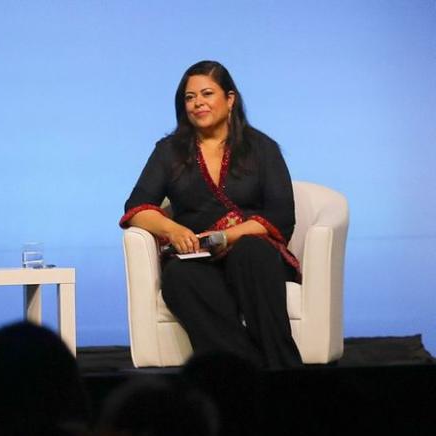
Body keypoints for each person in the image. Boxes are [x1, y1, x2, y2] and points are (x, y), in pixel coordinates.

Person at [122, 60, 302, 368]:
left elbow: (281, 215)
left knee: (250, 253)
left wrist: (226, 237)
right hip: (198, 257)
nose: (197, 103)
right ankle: (242, 370)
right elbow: (136, 208)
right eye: (190, 97)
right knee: (178, 275)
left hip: (251, 251)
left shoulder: (262, 148)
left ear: (230, 99)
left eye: (207, 94)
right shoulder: (169, 151)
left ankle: (283, 368)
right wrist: (174, 230)